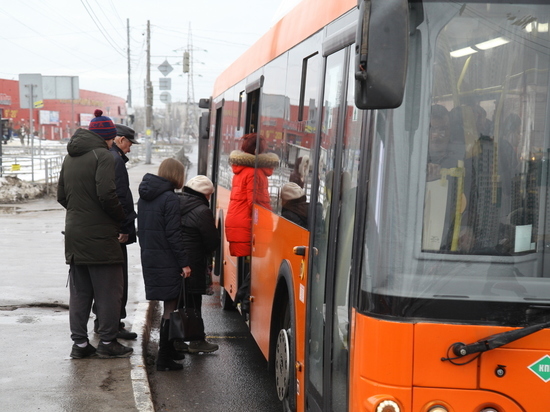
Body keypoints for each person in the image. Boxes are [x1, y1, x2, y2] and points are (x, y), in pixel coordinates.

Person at [58, 109, 133, 359]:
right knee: (110, 292)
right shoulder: (103, 156)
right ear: (106, 137)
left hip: (74, 236)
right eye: (112, 138)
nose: (113, 142)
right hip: (101, 237)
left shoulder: (70, 157)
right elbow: (106, 195)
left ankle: (79, 345)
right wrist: (121, 218)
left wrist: (81, 213)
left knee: (80, 293)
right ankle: (108, 342)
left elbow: (61, 196)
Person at [137, 158, 192, 371]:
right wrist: (184, 263)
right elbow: (173, 235)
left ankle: (168, 353)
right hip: (167, 258)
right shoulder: (169, 198)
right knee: (171, 307)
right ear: (177, 175)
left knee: (168, 305)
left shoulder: (145, 197)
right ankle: (164, 359)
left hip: (151, 256)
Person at [93, 124, 140, 340]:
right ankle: (111, 325)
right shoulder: (116, 160)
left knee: (104, 282)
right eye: (129, 143)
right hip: (115, 230)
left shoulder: (102, 157)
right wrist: (126, 227)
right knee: (116, 281)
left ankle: (104, 322)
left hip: (100, 229)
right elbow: (120, 196)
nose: (130, 149)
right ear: (120, 140)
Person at [224, 133, 279, 313]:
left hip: (239, 223)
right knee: (258, 265)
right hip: (247, 226)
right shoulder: (254, 173)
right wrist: (271, 225)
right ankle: (244, 297)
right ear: (257, 151)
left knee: (252, 264)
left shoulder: (241, 170)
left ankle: (242, 297)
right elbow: (257, 205)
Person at [177, 175, 220, 353]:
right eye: (209, 195)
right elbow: (212, 242)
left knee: (178, 301)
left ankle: (176, 340)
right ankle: (196, 340)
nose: (209, 199)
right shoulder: (202, 211)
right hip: (194, 261)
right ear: (204, 194)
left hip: (176, 259)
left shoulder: (175, 201)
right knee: (194, 301)